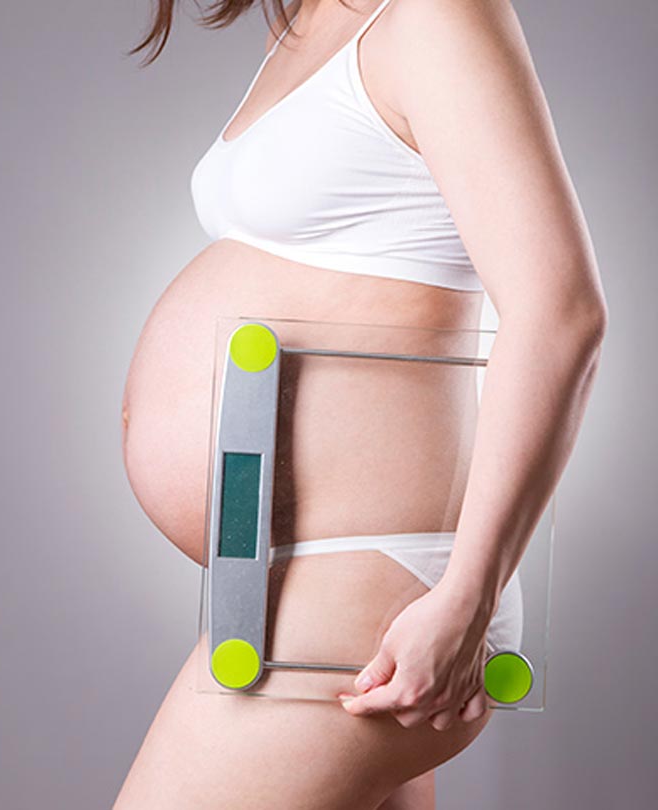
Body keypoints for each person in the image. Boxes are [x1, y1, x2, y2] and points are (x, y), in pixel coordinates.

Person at [113, 1, 608, 807]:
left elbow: (563, 314)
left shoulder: (437, 13)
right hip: (300, 583)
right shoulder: (312, 22)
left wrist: (467, 597)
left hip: (376, 588)